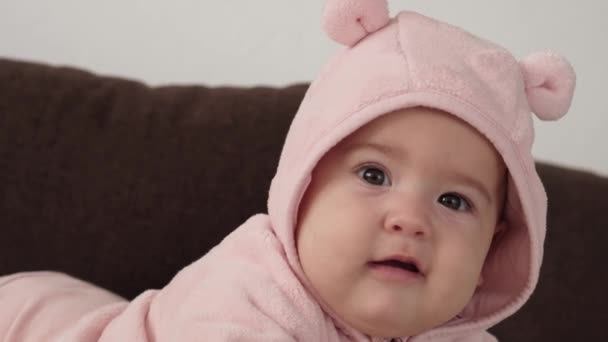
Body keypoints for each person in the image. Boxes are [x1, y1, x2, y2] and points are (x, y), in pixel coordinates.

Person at [0, 1, 576, 341]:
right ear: (301, 191)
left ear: (489, 256)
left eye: (455, 202)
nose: (411, 219)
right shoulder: (252, 290)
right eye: (374, 175)